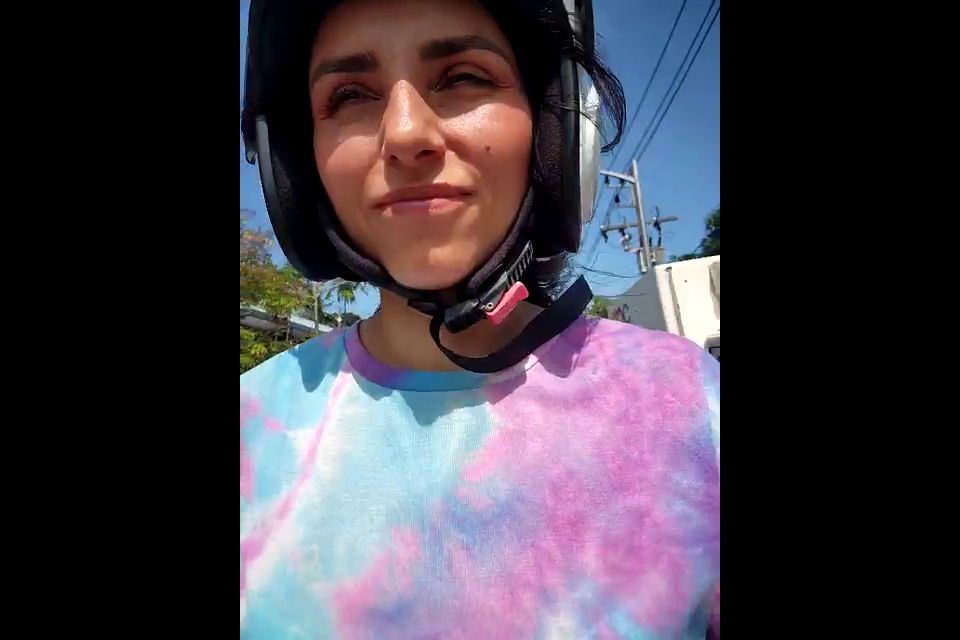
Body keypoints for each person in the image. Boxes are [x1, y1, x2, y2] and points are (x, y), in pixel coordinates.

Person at [240, 0, 719, 637]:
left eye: (463, 77)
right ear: (298, 163)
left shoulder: (693, 408)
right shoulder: (250, 430)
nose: (405, 134)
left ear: (554, 125)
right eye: (350, 95)